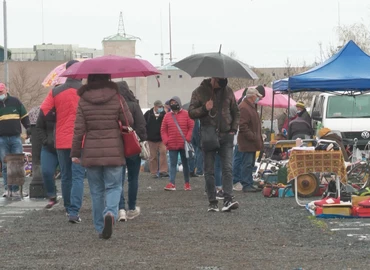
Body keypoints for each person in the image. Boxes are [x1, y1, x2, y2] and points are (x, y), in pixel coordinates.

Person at [71, 74, 133, 240]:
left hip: (92, 153)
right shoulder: (117, 97)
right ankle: (111, 213)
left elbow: (78, 130)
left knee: (96, 191)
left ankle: (100, 227)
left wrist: (75, 153)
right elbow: (129, 120)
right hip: (114, 151)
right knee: (114, 186)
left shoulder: (83, 100)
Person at [40, 60, 85, 223]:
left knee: (66, 175)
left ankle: (68, 208)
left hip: (61, 139)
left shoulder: (56, 91)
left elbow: (44, 111)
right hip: (80, 139)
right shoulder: (85, 91)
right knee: (78, 176)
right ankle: (74, 211)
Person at [188, 77, 240, 212]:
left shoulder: (228, 91)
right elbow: (191, 113)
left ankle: (228, 198)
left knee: (227, 168)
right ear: (213, 78)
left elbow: (235, 110)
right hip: (208, 134)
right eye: (220, 78)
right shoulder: (199, 92)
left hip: (227, 135)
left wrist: (233, 129)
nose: (223, 80)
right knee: (209, 170)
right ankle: (212, 202)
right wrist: (205, 108)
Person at [117, 81, 147, 222]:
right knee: (133, 178)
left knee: (118, 179)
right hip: (133, 146)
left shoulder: (115, 105)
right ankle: (132, 208)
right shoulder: (134, 105)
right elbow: (142, 126)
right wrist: (140, 139)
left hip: (117, 147)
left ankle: (120, 208)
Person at [0, 83, 30, 197]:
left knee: (17, 163)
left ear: (6, 90)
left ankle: (16, 190)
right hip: (1, 138)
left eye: (1, 91)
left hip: (15, 137)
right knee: (5, 165)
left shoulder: (15, 102)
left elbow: (24, 117)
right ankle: (8, 189)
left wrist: (28, 128)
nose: (0, 94)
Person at [161, 96, 194, 191]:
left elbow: (191, 126)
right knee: (172, 164)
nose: (173, 104)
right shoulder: (167, 116)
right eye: (171, 103)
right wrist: (166, 140)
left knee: (185, 164)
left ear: (179, 103)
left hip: (184, 144)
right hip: (172, 145)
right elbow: (163, 130)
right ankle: (172, 183)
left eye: (175, 102)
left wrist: (187, 138)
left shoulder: (186, 114)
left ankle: (187, 183)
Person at [238, 88, 264, 192]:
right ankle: (246, 184)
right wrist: (253, 136)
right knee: (247, 163)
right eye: (257, 96)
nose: (258, 98)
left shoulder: (249, 107)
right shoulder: (244, 107)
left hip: (251, 141)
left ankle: (249, 182)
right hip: (247, 141)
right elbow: (242, 125)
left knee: (250, 164)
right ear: (252, 96)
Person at [35, 105, 59, 209]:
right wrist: (45, 141)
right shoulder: (45, 109)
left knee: (69, 175)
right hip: (49, 146)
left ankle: (71, 200)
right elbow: (39, 126)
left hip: (65, 146)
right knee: (46, 171)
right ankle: (52, 196)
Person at [143, 100, 169, 178]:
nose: (161, 108)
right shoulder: (148, 114)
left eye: (162, 106)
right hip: (151, 139)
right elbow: (144, 124)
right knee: (153, 156)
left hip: (161, 139)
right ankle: (153, 172)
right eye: (159, 106)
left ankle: (163, 171)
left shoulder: (164, 114)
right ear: (155, 106)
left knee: (163, 152)